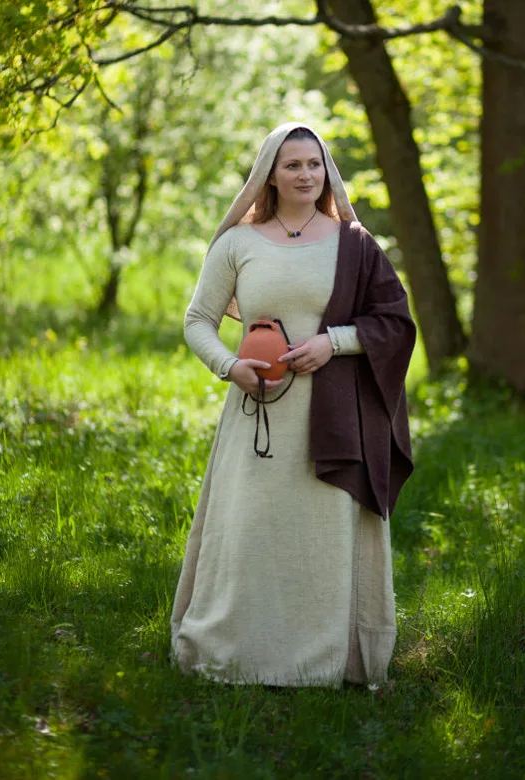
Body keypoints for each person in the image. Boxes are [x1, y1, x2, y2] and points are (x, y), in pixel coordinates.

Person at [171, 122, 417, 687]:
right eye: (292, 165)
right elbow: (198, 320)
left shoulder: (354, 243)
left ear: (326, 171)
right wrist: (229, 366)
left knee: (321, 537)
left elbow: (394, 321)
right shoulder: (239, 244)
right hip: (257, 415)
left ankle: (324, 660)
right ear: (270, 176)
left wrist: (334, 343)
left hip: (335, 416)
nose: (306, 175)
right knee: (252, 531)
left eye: (314, 164)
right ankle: (239, 652)